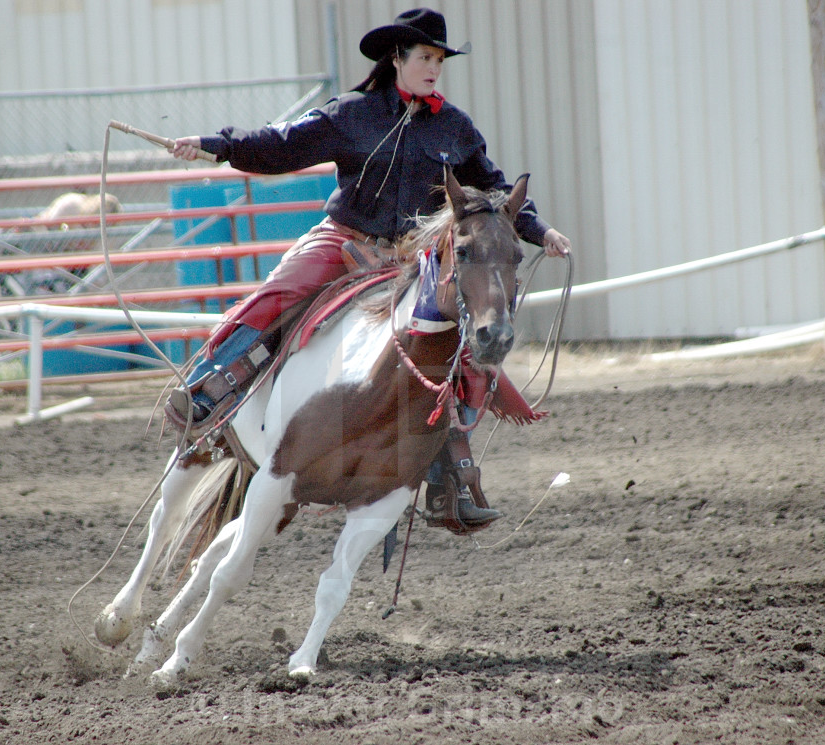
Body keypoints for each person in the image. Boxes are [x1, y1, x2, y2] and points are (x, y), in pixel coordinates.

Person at [165, 8, 571, 529]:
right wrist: (218, 146)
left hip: (409, 260)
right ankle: (207, 390)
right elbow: (283, 145)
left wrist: (539, 231)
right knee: (281, 293)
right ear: (396, 58)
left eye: (439, 60)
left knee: (459, 347)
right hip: (345, 241)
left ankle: (451, 476)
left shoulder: (454, 127)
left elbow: (494, 189)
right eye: (424, 57)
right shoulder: (353, 113)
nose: (433, 68)